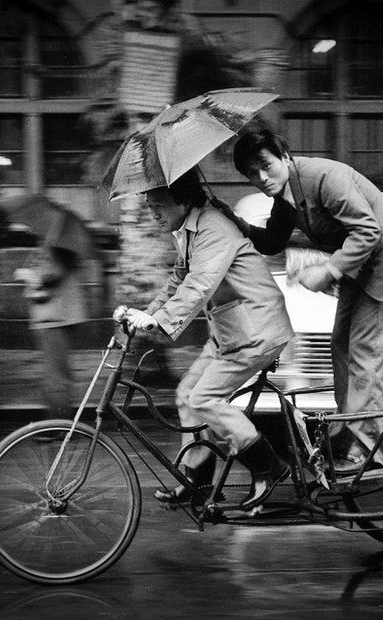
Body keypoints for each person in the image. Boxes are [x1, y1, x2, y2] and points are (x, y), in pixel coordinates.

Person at [213, 128, 383, 473]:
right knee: (341, 345)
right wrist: (231, 219)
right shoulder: (284, 198)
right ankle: (346, 432)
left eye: (265, 165)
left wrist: (328, 270)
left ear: (284, 156)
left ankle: (369, 451)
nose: (261, 178)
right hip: (358, 265)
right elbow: (272, 242)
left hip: (381, 260)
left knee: (367, 354)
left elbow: (369, 231)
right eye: (251, 173)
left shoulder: (324, 178)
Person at [122, 169, 295, 509]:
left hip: (257, 331)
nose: (152, 212)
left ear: (183, 200)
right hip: (231, 331)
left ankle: (269, 468)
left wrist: (160, 322)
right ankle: (197, 483)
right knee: (186, 394)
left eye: (158, 205)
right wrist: (146, 315)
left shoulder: (214, 229)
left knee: (203, 399)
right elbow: (178, 280)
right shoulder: (189, 228)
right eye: (148, 206)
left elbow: (198, 285)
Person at [15, 200, 97, 419]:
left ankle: (57, 426)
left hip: (53, 316)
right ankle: (58, 423)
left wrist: (29, 275)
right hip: (58, 316)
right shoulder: (57, 244)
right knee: (58, 373)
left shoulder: (57, 246)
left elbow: (51, 275)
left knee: (55, 376)